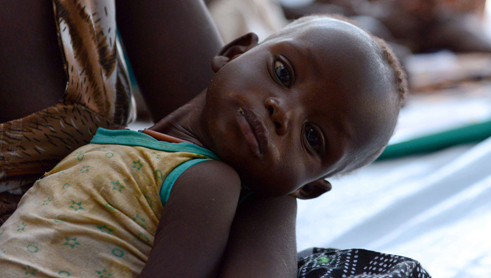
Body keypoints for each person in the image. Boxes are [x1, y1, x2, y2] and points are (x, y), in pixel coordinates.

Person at [0, 14, 408, 277]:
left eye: (313, 137)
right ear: (234, 52)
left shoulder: (207, 184)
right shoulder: (110, 139)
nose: (282, 111)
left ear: (306, 187)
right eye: (283, 73)